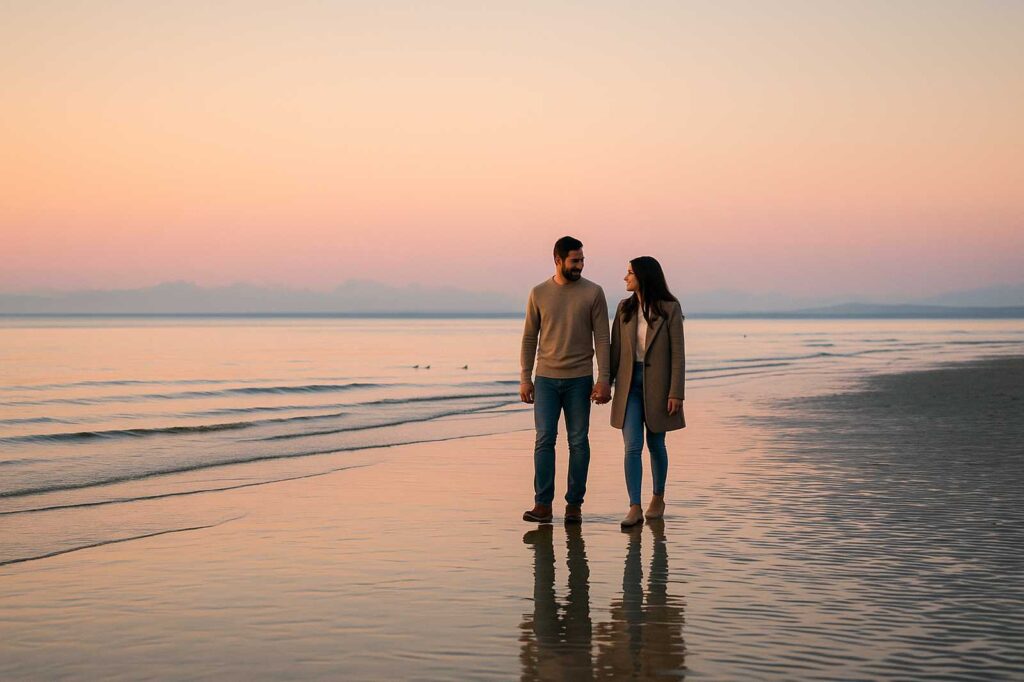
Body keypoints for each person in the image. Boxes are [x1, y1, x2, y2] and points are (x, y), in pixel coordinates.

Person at [520, 236, 611, 524]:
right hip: (545, 378)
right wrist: (525, 377)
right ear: (558, 261)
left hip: (580, 379)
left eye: (582, 260)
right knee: (544, 440)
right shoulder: (538, 293)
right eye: (575, 261)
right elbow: (529, 337)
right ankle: (543, 505)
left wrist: (604, 379)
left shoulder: (594, 293)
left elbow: (602, 338)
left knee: (578, 442)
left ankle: (574, 505)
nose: (580, 266)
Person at [609, 256, 685, 527]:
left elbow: (678, 354)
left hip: (659, 387)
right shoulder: (623, 308)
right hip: (628, 386)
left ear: (644, 276)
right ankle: (634, 507)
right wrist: (604, 383)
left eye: (630, 273)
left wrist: (676, 392)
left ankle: (658, 497)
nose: (625, 277)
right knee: (632, 446)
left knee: (655, 444)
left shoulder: (670, 308)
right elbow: (614, 350)